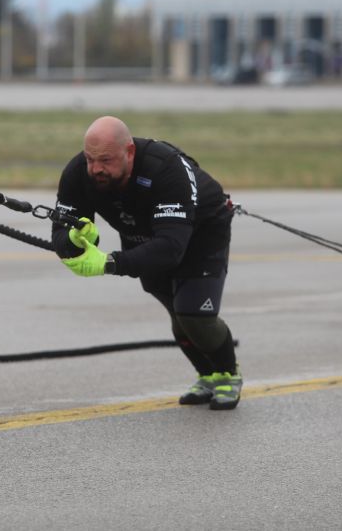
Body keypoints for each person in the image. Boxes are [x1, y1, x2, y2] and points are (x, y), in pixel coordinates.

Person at [52, 116, 243, 410]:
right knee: (176, 312)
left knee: (193, 313)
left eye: (105, 160)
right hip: (142, 233)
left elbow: (171, 248)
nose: (96, 169)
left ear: (129, 152)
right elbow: (59, 234)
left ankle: (228, 375)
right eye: (90, 159)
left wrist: (110, 262)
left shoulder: (165, 168)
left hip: (200, 233)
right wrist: (74, 241)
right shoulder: (79, 173)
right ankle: (207, 375)